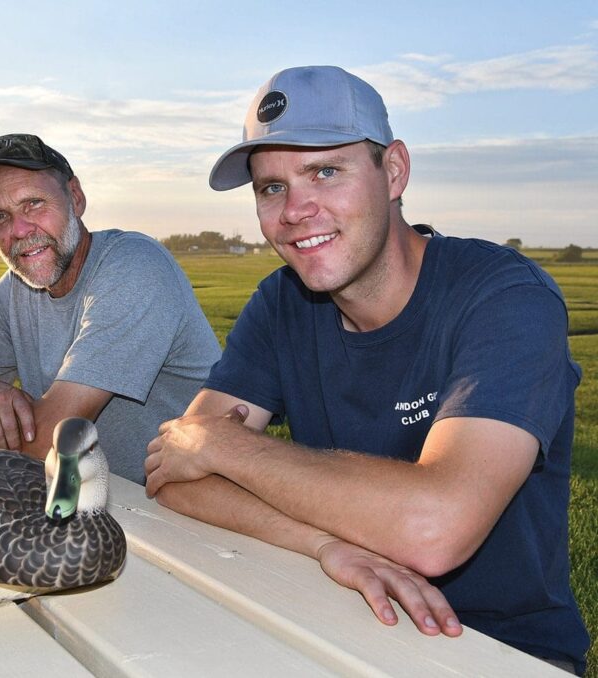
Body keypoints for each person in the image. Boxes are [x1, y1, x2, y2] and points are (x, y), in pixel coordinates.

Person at [144, 66, 589, 674]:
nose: (296, 210)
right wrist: (324, 545)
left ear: (395, 171)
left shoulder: (504, 295)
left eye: (325, 171)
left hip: (496, 652)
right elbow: (172, 476)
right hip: (337, 626)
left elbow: (434, 529)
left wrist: (227, 447)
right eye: (270, 187)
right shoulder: (282, 305)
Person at [0, 133, 221, 485]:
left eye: (34, 204)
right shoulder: (14, 290)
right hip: (90, 499)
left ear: (76, 197)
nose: (19, 230)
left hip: (184, 512)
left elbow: (52, 438)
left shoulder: (134, 267)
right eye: (0, 217)